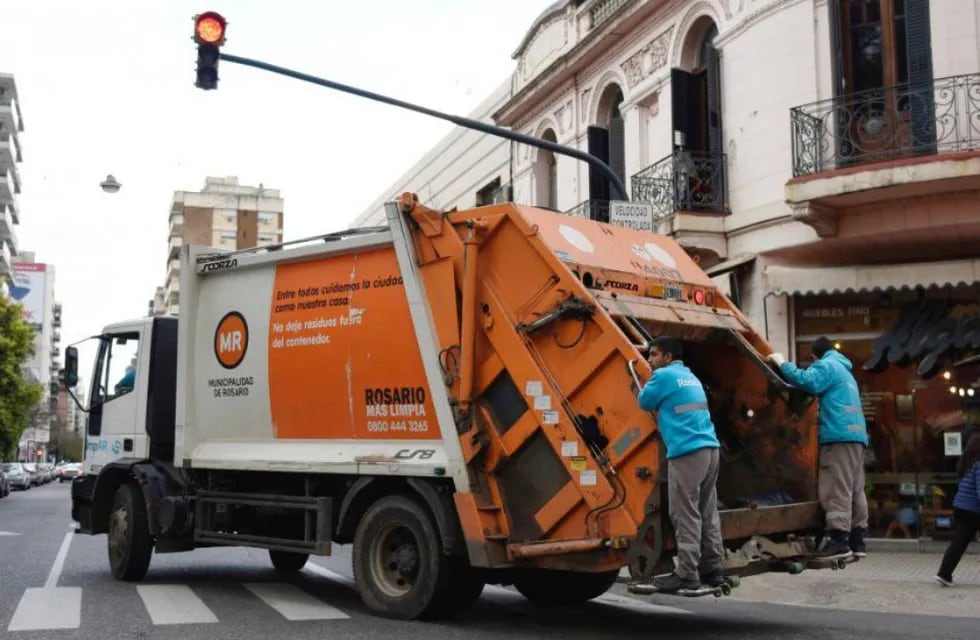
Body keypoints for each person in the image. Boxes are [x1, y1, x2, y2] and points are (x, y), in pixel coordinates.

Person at [638, 336, 725, 592]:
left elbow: (644, 402)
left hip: (687, 452)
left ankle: (686, 573)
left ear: (667, 357)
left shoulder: (663, 376)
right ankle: (714, 568)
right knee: (708, 511)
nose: (650, 360)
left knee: (685, 513)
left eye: (653, 355)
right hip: (710, 449)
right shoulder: (690, 376)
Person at [769, 337, 869, 558]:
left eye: (811, 359)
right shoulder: (846, 371)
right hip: (856, 436)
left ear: (815, 356)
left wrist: (782, 364)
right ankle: (857, 539)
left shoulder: (827, 365)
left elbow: (808, 381)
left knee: (837, 486)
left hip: (838, 436)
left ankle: (839, 540)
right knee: (855, 488)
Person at [935, 433, 980, 586]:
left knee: (958, 543)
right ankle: (944, 574)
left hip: (960, 507)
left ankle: (944, 573)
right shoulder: (979, 464)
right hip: (973, 510)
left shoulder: (965, 464)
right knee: (959, 542)